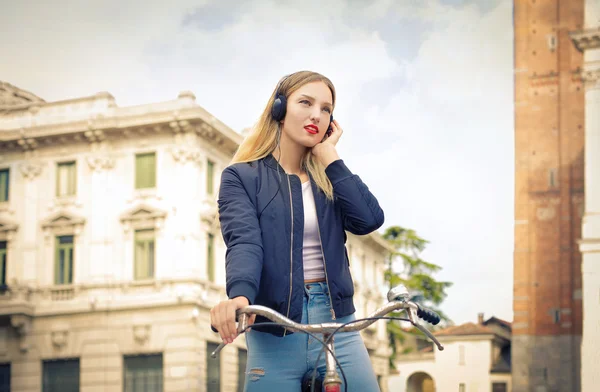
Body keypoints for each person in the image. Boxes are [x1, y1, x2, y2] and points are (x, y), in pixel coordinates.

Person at [210, 70, 384, 391]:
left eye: (326, 109)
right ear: (279, 109)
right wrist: (240, 296)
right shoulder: (241, 177)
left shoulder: (329, 178)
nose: (316, 114)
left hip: (338, 324)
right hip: (275, 327)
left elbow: (368, 220)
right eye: (305, 102)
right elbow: (245, 243)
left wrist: (329, 155)